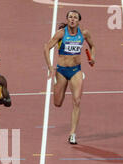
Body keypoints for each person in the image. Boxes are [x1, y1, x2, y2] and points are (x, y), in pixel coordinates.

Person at [43, 9, 95, 145]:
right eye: (70, 17)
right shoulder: (61, 34)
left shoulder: (84, 34)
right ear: (67, 20)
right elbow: (46, 47)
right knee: (57, 103)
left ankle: (72, 134)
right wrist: (50, 67)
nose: (72, 19)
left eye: (75, 17)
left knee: (77, 101)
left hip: (76, 71)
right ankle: (61, 86)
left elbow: (92, 46)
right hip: (61, 71)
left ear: (78, 20)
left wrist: (92, 57)